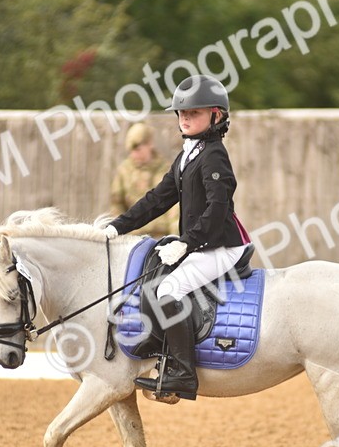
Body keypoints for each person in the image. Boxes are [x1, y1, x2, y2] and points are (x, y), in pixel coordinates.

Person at [100, 74, 252, 401]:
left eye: (193, 113)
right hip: (203, 242)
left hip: (222, 246)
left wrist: (187, 243)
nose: (184, 117)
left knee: (168, 291)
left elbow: (217, 208)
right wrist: (118, 226)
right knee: (151, 278)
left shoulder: (213, 155)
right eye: (181, 113)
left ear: (216, 115)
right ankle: (165, 354)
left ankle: (183, 374)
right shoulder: (188, 155)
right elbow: (157, 199)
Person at [109, 123, 177, 238]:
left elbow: (175, 209)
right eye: (132, 151)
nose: (135, 155)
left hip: (160, 235)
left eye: (138, 150)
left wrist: (175, 237)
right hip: (133, 236)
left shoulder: (166, 170)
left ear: (150, 144)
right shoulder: (124, 171)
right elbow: (116, 204)